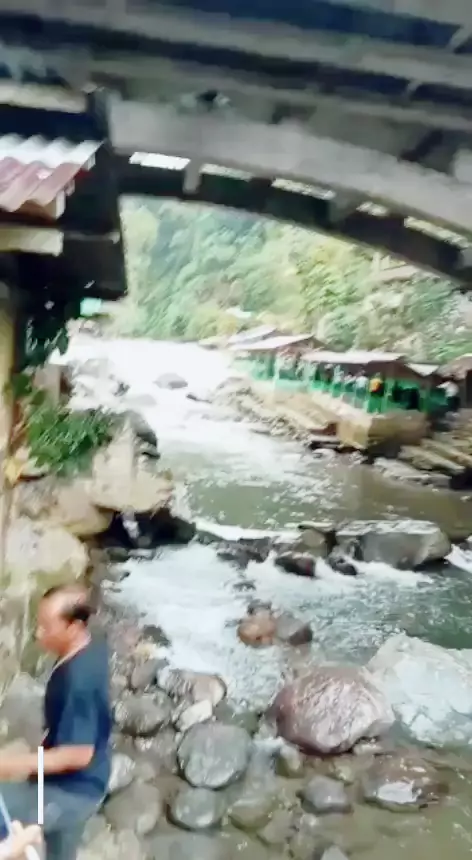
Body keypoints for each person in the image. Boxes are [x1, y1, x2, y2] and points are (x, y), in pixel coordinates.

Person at [0, 584, 111, 860]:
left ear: (74, 627)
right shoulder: (91, 644)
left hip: (70, 792)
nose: (38, 633)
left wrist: (11, 764)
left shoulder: (78, 682)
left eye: (46, 627)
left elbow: (79, 754)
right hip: (89, 779)